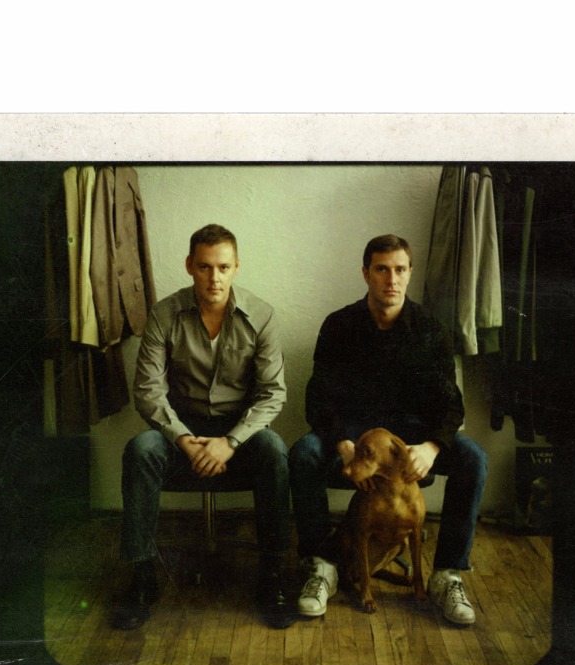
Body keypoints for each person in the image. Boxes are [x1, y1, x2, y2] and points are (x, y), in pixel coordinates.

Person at [290, 234, 488, 625]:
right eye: (382, 269)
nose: (391, 279)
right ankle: (322, 567)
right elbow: (318, 398)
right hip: (355, 438)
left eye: (400, 270)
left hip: (413, 441)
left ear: (410, 273)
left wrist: (431, 447)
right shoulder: (339, 325)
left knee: (473, 458)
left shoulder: (430, 328)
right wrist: (342, 442)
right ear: (366, 273)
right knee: (304, 453)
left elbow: (452, 404)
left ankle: (447, 574)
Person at [113, 224, 296, 631]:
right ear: (189, 266)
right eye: (205, 267)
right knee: (141, 449)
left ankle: (272, 575)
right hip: (182, 430)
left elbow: (272, 394)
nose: (215, 277)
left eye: (223, 267)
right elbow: (148, 390)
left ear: (236, 268)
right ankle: (142, 577)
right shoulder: (164, 314)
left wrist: (230, 442)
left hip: (240, 432)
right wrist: (183, 439)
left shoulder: (261, 315)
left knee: (274, 449)